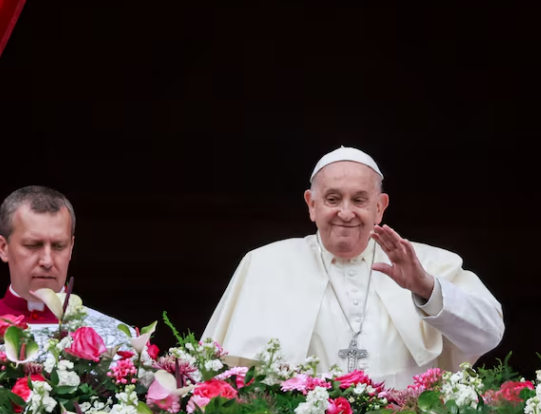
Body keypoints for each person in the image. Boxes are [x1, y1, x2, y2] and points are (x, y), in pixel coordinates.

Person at [203, 146, 504, 388]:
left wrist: (425, 287)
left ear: (379, 207)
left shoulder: (428, 263)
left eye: (359, 200)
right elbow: (217, 372)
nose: (345, 212)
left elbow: (489, 335)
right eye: (333, 198)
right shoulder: (265, 264)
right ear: (312, 204)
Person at [0, 186, 130, 349]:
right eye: (33, 245)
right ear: (3, 248)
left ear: (71, 248)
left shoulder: (118, 340)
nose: (47, 261)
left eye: (58, 246)